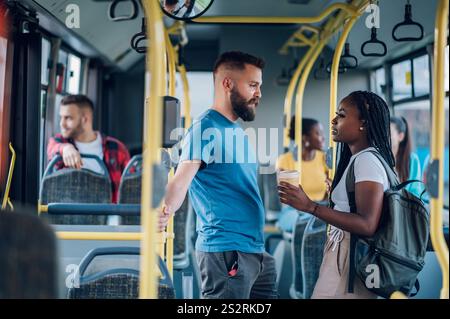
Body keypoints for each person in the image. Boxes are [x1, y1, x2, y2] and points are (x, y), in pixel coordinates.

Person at [158, 51, 278, 299]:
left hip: (254, 249)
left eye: (260, 86)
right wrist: (162, 213)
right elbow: (180, 182)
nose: (259, 94)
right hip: (226, 251)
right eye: (253, 85)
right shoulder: (205, 128)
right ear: (227, 84)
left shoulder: (234, 129)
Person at [278, 91, 395, 299]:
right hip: (343, 254)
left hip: (349, 258)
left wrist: (311, 207)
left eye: (341, 115)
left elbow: (367, 224)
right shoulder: (360, 159)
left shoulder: (366, 161)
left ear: (363, 123)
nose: (333, 120)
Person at [47, 94, 130, 203]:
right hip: (70, 215)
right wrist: (66, 149)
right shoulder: (62, 143)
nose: (62, 123)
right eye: (61, 117)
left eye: (68, 118)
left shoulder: (117, 148)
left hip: (109, 214)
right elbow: (52, 149)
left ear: (85, 119)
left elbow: (130, 187)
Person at [275, 117, 328, 232]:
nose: (323, 137)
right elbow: (287, 196)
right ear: (305, 138)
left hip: (319, 208)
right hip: (293, 211)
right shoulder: (285, 160)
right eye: (318, 133)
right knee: (302, 222)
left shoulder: (324, 159)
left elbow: (330, 191)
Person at [390, 116, 425, 198]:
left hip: (406, 206)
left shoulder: (412, 159)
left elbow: (415, 191)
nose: (384, 136)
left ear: (400, 136)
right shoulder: (379, 157)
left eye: (389, 133)